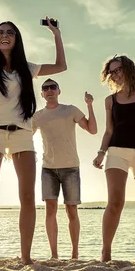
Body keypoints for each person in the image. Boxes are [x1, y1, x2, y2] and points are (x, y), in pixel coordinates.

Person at [0, 18, 67, 266]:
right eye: (0, 33)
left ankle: (26, 257)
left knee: (27, 196)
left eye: (10, 32)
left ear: (16, 38)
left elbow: (61, 66)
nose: (4, 35)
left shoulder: (28, 68)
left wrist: (56, 34)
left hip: (22, 132)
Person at [93, 55, 135, 262]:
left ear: (129, 69)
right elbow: (109, 131)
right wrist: (100, 152)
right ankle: (106, 252)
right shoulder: (110, 100)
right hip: (117, 152)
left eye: (118, 70)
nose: (114, 75)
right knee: (116, 202)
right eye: (111, 72)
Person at [33, 79, 97, 260]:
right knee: (50, 211)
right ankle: (54, 255)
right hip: (48, 169)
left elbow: (92, 130)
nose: (49, 90)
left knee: (72, 212)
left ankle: (75, 254)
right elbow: (24, 135)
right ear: (42, 94)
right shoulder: (37, 116)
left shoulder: (70, 110)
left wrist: (90, 106)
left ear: (59, 91)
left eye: (53, 87)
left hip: (70, 167)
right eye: (45, 88)